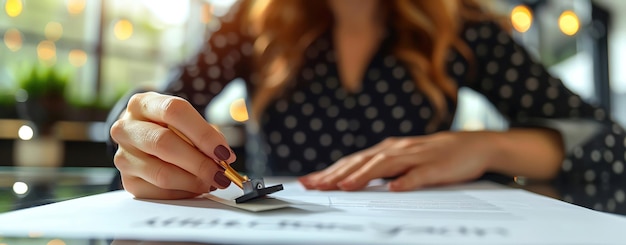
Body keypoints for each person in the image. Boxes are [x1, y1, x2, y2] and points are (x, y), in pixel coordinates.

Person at [108, 0, 626, 199]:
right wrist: (141, 135)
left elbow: (607, 140)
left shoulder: (459, 24)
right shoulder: (250, 21)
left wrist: (486, 147)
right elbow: (144, 114)